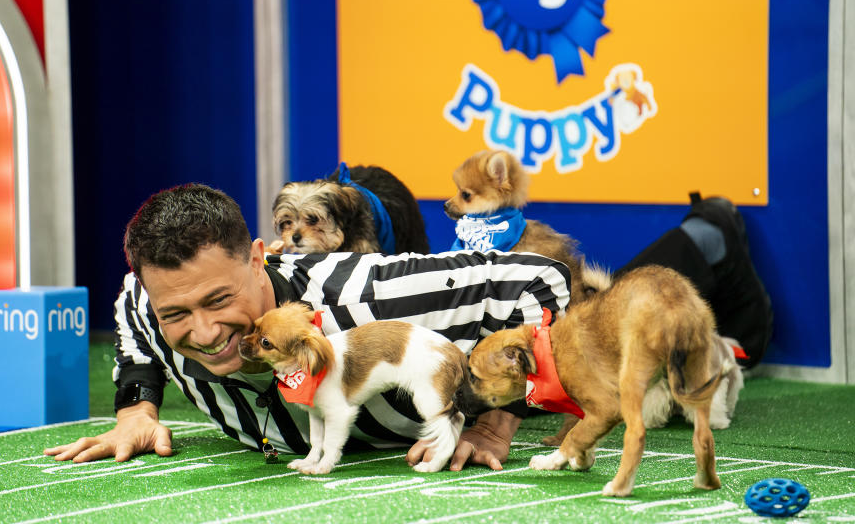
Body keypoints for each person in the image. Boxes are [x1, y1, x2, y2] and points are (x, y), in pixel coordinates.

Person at [44, 184, 771, 469]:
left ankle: (708, 237)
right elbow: (133, 321)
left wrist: (502, 417)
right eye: (179, 312)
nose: (202, 333)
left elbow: (536, 279)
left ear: (262, 260)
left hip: (535, 336)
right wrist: (136, 408)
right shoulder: (149, 303)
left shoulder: (360, 294)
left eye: (219, 303)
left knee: (629, 321)